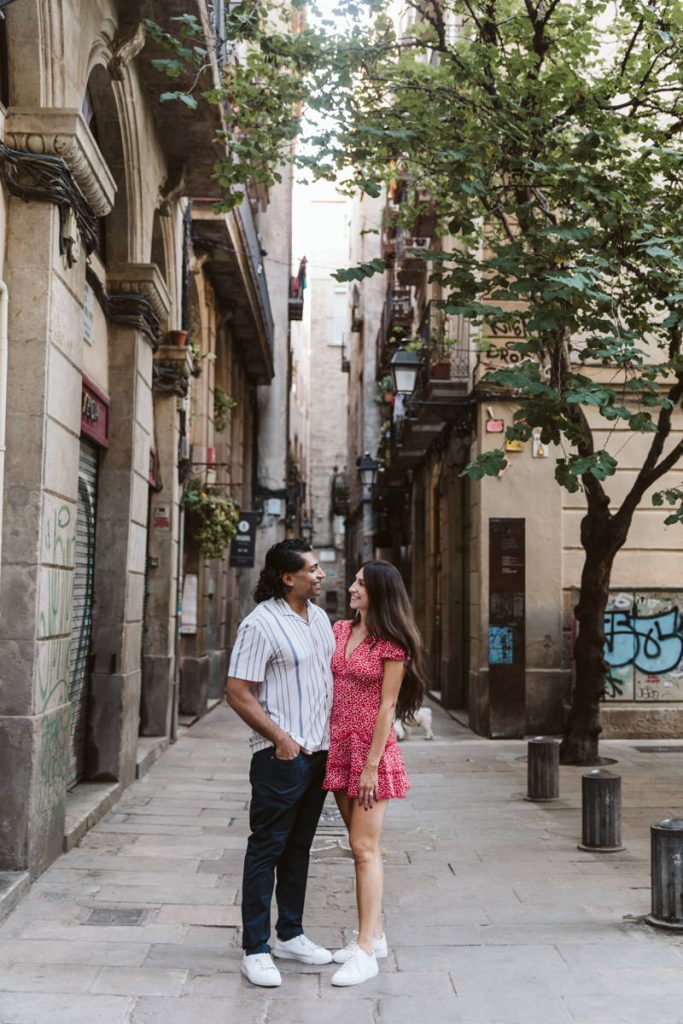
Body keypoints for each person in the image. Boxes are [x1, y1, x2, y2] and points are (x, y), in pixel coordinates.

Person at [225, 539, 335, 988]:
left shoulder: (320, 618)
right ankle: (255, 947)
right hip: (281, 757)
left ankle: (290, 933)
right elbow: (237, 691)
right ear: (288, 577)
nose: (321, 574)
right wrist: (280, 739)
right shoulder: (261, 624)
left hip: (319, 752)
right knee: (266, 848)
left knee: (299, 848)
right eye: (312, 568)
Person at [323, 559, 427, 986]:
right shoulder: (339, 631)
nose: (351, 587)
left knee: (365, 848)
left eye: (361, 584)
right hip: (339, 747)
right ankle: (376, 935)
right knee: (356, 846)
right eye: (355, 581)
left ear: (380, 592)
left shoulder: (392, 643)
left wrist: (370, 765)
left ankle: (365, 950)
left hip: (371, 752)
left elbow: (387, 706)